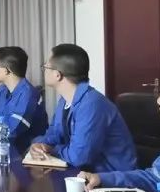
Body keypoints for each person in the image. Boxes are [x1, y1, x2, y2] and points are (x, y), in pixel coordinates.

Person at [29, 44, 136, 172]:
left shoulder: (92, 104)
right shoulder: (65, 100)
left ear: (58, 75)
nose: (44, 70)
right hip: (84, 173)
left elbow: (79, 156)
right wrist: (39, 145)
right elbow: (53, 133)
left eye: (46, 67)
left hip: (111, 177)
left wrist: (51, 149)